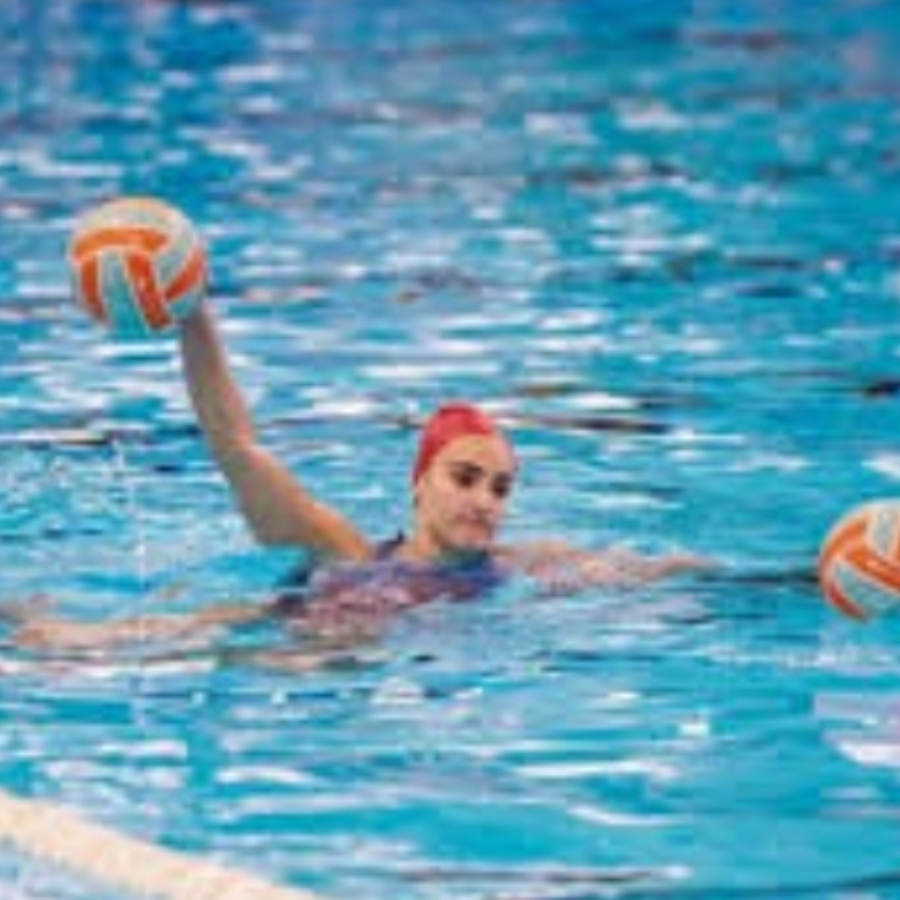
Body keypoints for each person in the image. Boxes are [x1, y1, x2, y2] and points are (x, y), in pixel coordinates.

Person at [6, 301, 709, 657]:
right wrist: (195, 316)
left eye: (500, 489)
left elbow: (658, 573)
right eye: (465, 478)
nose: (485, 502)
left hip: (363, 696)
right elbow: (237, 446)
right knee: (77, 647)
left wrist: (791, 578)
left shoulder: (521, 567)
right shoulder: (344, 550)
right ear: (419, 484)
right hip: (280, 658)